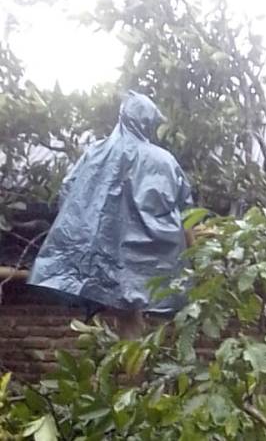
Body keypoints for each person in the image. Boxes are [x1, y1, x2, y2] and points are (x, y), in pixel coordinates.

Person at [29, 90, 193, 339]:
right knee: (146, 319)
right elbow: (185, 210)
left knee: (126, 318)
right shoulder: (165, 161)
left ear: (123, 118)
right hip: (153, 259)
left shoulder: (96, 152)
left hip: (108, 256)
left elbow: (69, 193)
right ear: (148, 122)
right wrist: (194, 252)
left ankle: (131, 369)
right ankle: (140, 370)